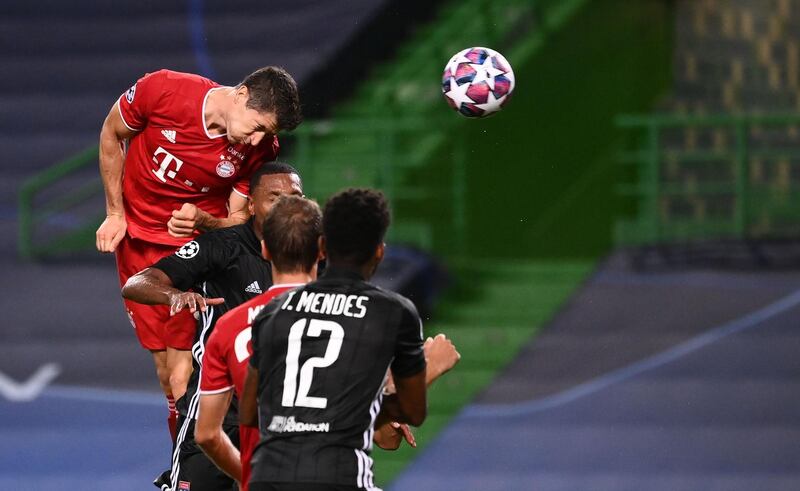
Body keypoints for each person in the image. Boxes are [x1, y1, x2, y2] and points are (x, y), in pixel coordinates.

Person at [97, 65, 302, 443]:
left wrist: (204, 220)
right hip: (138, 245)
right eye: (257, 127)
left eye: (267, 134)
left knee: (182, 377)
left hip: (191, 253)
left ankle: (195, 470)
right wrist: (115, 213)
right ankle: (185, 460)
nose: (258, 142)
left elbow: (239, 220)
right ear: (241, 95)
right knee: (164, 375)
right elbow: (112, 133)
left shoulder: (258, 151)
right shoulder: (162, 91)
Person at [241, 188, 460, 491]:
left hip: (267, 479)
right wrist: (431, 367)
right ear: (380, 252)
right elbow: (412, 411)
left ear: (322, 246)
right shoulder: (391, 313)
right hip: (339, 478)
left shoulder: (274, 311)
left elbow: (249, 412)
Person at [121, 162, 303, 491]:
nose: (285, 206)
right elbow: (138, 283)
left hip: (284, 412)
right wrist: (175, 295)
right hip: (217, 403)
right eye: (274, 198)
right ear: (251, 205)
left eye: (295, 197)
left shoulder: (315, 256)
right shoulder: (222, 246)